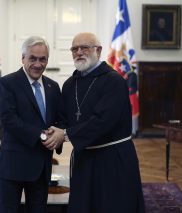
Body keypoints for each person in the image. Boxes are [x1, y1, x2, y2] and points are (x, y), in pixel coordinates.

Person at [49, 32, 145, 213]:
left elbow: (103, 121)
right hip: (84, 158)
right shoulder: (70, 84)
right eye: (74, 49)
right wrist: (55, 132)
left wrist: (66, 135)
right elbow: (64, 118)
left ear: (98, 50)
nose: (78, 52)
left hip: (113, 158)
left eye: (84, 47)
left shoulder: (114, 81)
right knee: (84, 205)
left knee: (112, 204)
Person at [0, 36, 64, 213]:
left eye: (43, 59)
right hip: (13, 164)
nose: (37, 64)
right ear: (23, 58)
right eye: (32, 58)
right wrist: (41, 136)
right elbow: (8, 119)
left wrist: (58, 135)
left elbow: (59, 119)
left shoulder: (53, 87)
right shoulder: (7, 83)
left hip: (41, 166)